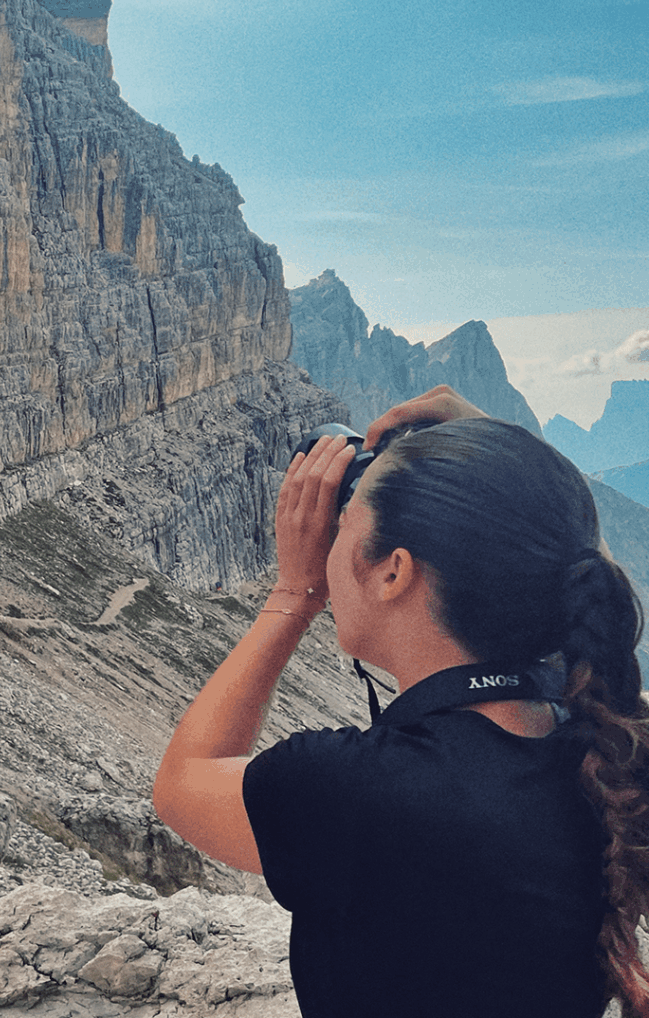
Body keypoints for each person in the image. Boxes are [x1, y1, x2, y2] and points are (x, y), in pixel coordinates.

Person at [153, 385, 649, 1018]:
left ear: (393, 572)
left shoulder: (360, 791)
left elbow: (180, 783)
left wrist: (293, 592)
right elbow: (573, 570)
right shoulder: (602, 749)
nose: (328, 547)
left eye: (344, 528)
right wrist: (498, 457)